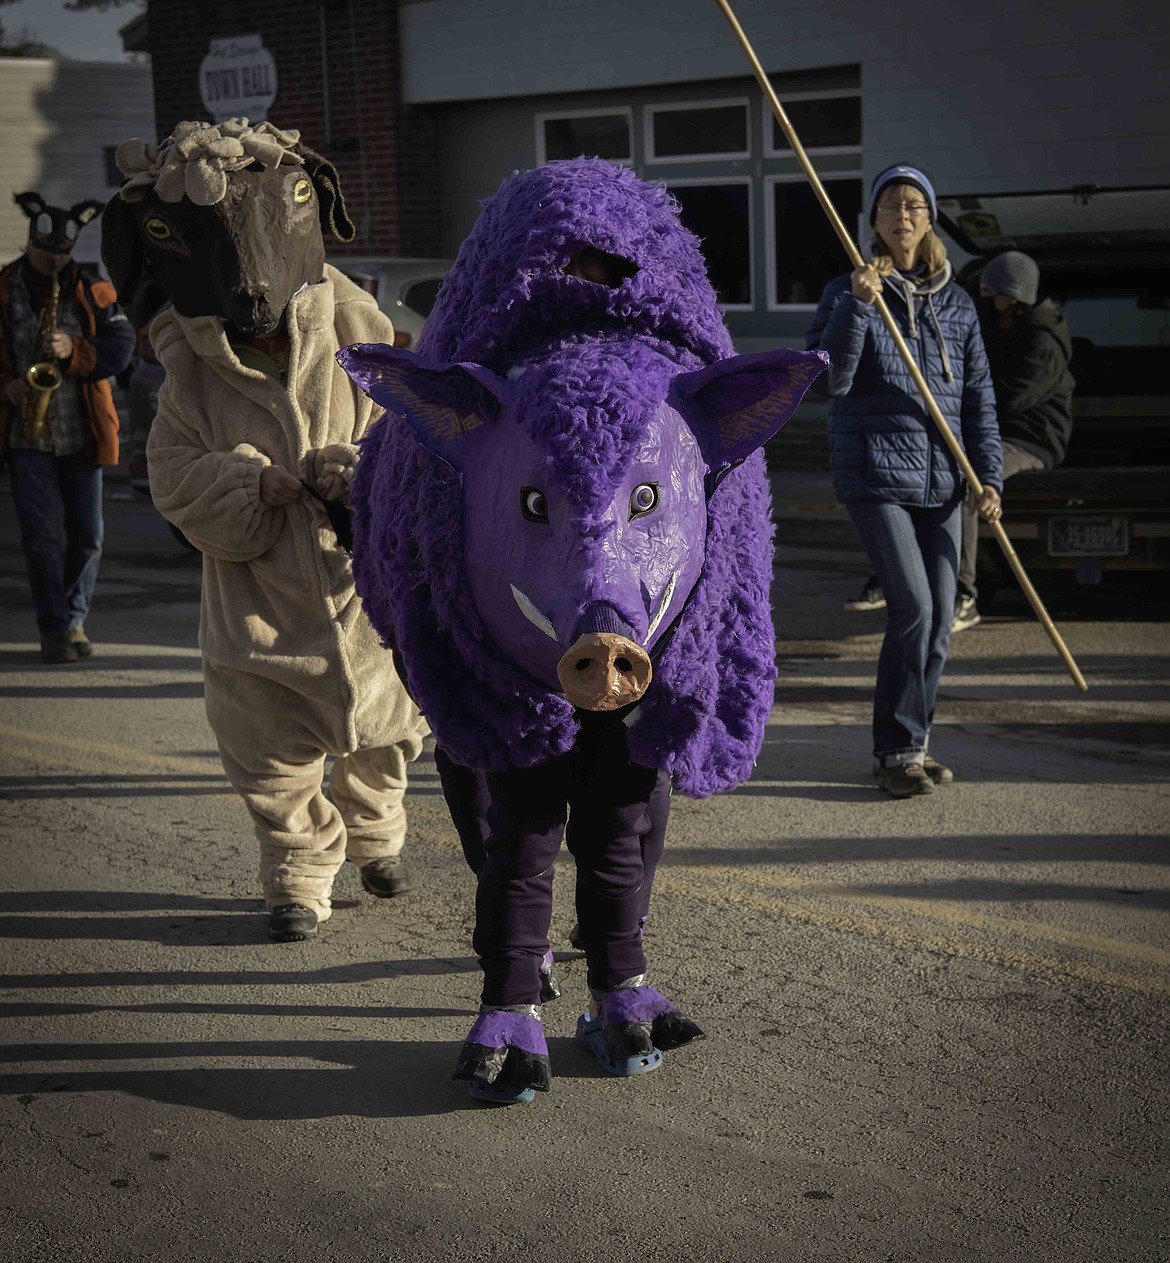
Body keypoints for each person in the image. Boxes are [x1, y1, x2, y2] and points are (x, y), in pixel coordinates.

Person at [102, 119, 427, 942]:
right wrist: (248, 481)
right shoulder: (189, 375)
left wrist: (357, 469)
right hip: (259, 612)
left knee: (387, 732)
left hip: (365, 599)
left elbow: (417, 441)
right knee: (270, 758)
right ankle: (297, 877)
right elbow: (172, 474)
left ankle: (377, 832)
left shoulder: (363, 336)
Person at [807, 163, 1003, 798]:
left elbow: (979, 398)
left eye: (913, 204)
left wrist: (988, 475)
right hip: (876, 472)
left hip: (946, 479)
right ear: (873, 223)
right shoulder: (849, 289)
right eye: (890, 205)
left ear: (930, 217)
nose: (902, 215)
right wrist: (860, 307)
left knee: (942, 618)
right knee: (913, 608)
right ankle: (894, 751)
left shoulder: (958, 302)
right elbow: (829, 378)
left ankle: (914, 744)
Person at [1, 192, 134, 663]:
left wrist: (75, 349)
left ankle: (75, 619)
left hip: (83, 435)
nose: (55, 260)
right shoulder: (4, 288)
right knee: (42, 537)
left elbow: (122, 346)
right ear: (30, 244)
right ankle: (54, 628)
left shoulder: (92, 287)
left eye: (62, 253)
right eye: (47, 252)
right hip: (27, 436)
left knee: (87, 536)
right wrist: (8, 385)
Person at [953, 250, 1074, 630]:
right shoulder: (999, 323)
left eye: (995, 295)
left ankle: (964, 592)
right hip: (997, 433)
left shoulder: (1043, 342)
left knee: (969, 479)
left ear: (1017, 298)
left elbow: (1008, 398)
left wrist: (962, 401)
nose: (988, 303)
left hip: (1031, 442)